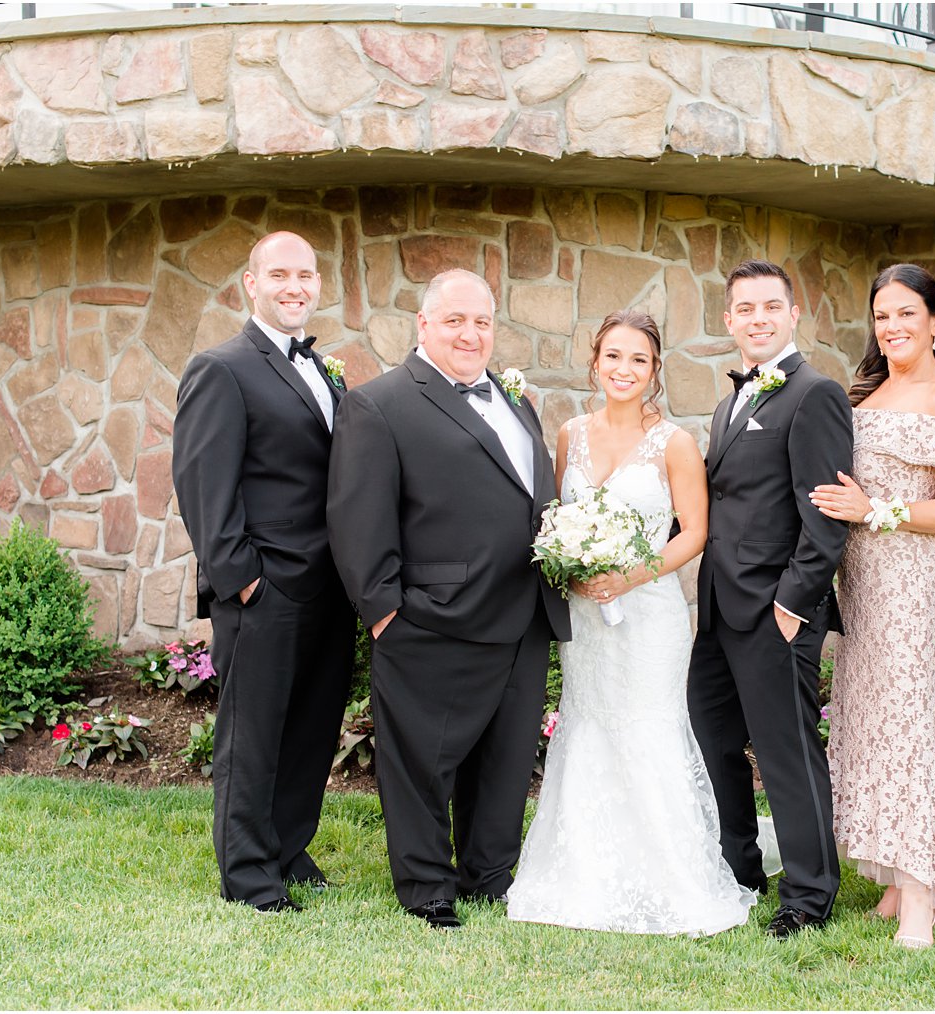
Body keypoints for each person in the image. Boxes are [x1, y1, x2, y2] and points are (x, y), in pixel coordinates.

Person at [326, 268, 570, 931]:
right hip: (431, 618)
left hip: (521, 617)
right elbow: (357, 518)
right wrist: (383, 611)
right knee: (423, 763)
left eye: (483, 321)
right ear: (424, 325)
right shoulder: (380, 405)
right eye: (455, 320)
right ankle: (427, 886)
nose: (471, 333)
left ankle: (489, 876)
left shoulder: (516, 403)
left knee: (506, 759)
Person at [506, 310, 756, 936]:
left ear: (654, 371)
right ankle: (582, 868)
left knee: (648, 728)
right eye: (613, 357)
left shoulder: (672, 442)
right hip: (586, 619)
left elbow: (695, 532)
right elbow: (558, 520)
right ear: (595, 363)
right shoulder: (571, 436)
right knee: (589, 724)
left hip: (649, 616)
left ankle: (672, 875)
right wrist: (571, 566)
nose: (624, 370)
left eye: (638, 360)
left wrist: (631, 576)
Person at [172, 231, 355, 913]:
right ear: (251, 284)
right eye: (278, 274)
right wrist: (240, 578)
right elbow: (201, 485)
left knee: (311, 728)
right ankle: (248, 872)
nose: (294, 287)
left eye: (304, 275)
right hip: (265, 589)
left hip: (329, 589)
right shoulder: (221, 368)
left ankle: (287, 846)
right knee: (252, 737)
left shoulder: (324, 369)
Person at [808, 264, 935, 950]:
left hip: (910, 582)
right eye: (883, 315)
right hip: (861, 584)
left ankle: (921, 900)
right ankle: (891, 878)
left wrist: (875, 509)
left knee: (907, 734)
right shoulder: (871, 389)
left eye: (908, 313)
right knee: (870, 725)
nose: (894, 327)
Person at [687, 259, 854, 939]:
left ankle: (810, 895)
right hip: (719, 612)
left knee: (786, 752)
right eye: (744, 309)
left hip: (775, 613)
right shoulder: (733, 401)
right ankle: (741, 870)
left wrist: (792, 607)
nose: (757, 319)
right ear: (729, 321)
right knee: (716, 740)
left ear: (792, 315)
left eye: (769, 307)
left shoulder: (815, 394)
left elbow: (825, 517)